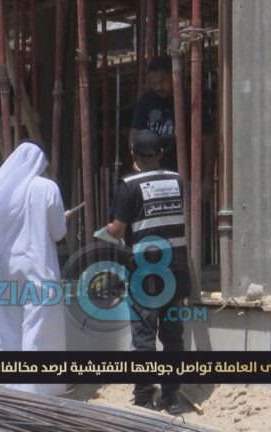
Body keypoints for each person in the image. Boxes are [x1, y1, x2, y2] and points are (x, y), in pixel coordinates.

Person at [104, 130, 191, 415]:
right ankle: (172, 396)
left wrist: (109, 230)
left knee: (144, 337)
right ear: (161, 153)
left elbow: (118, 229)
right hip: (175, 269)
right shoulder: (177, 180)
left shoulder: (129, 184)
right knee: (173, 335)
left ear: (133, 155)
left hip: (146, 273)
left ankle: (143, 398)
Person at [0, 140, 67, 396]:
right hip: (37, 267)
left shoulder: (3, 190)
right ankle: (37, 388)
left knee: (7, 325)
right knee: (38, 326)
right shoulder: (46, 187)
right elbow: (58, 232)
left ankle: (8, 384)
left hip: (4, 267)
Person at [130, 56, 214, 199]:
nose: (158, 87)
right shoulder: (146, 102)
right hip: (152, 177)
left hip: (185, 177)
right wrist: (136, 157)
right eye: (154, 83)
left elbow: (208, 140)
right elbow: (134, 134)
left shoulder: (191, 100)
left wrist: (208, 178)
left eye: (162, 82)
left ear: (174, 76)